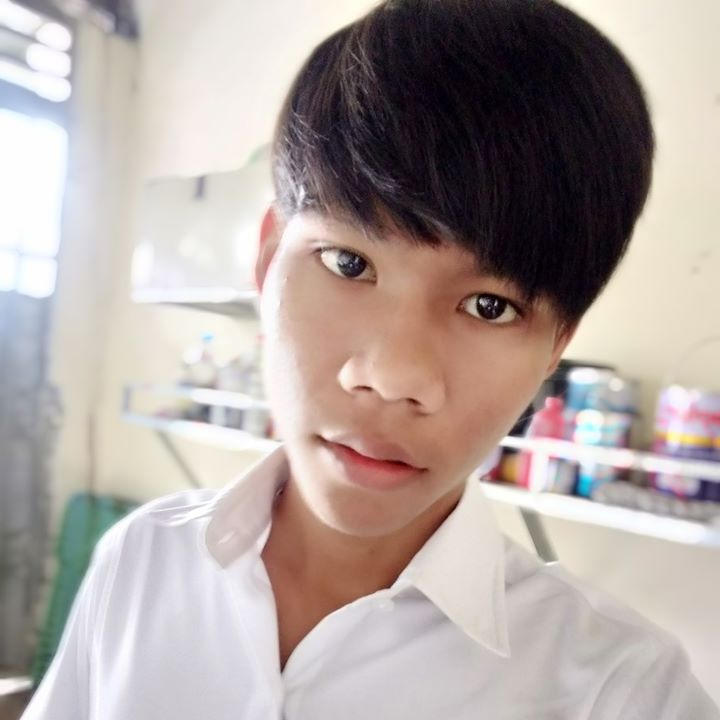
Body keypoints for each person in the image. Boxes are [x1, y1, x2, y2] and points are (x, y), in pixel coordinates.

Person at [22, 0, 720, 718]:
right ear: (268, 260)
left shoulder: (623, 693)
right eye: (348, 262)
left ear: (556, 346)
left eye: (489, 306)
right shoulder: (141, 560)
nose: (392, 377)